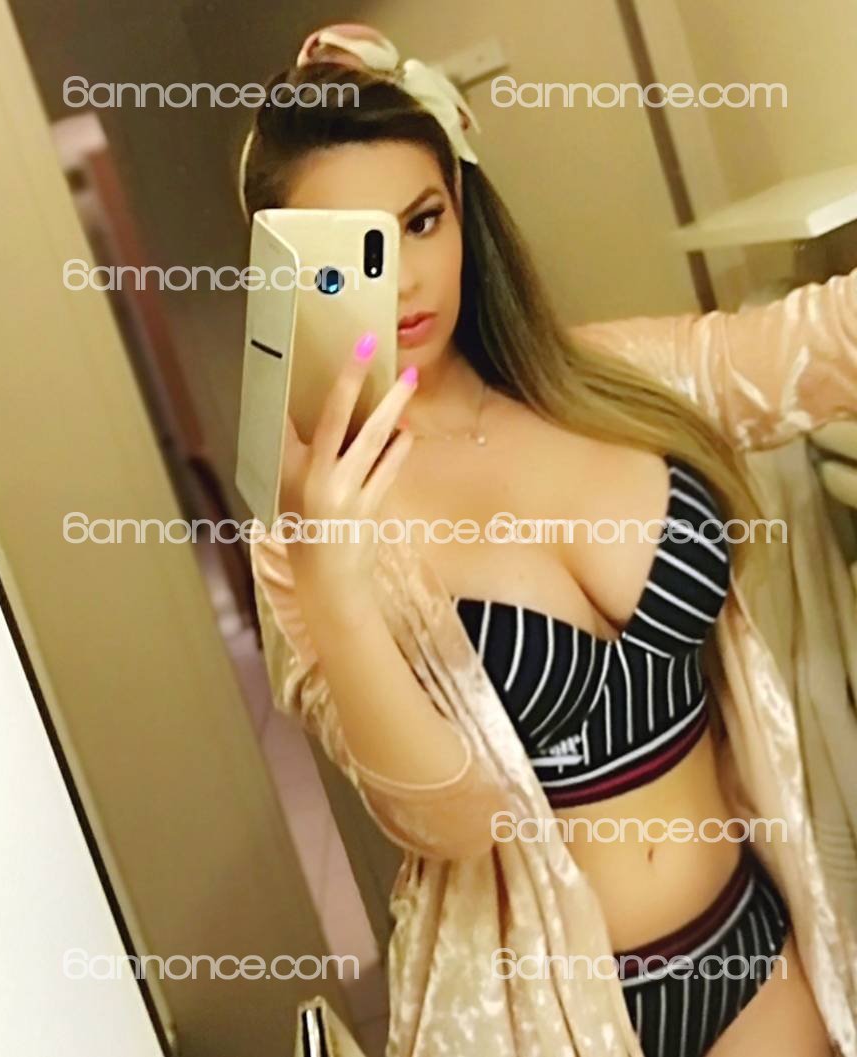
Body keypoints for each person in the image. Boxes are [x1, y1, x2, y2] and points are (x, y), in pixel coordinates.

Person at [239, 24, 857, 1057]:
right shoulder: (302, 529)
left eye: (422, 220)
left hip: (750, 954)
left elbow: (816, 347)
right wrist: (333, 580)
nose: (405, 279)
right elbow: (446, 821)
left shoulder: (613, 381)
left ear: (461, 205)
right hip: (535, 1020)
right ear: (287, 272)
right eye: (358, 251)